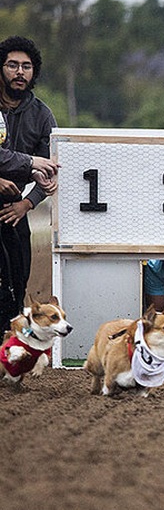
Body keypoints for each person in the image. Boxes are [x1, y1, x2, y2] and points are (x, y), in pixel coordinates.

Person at [0, 36, 58, 326]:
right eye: (12, 65)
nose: (19, 72)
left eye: (26, 66)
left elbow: (51, 167)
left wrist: (27, 203)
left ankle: (10, 345)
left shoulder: (42, 114)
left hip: (13, 208)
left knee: (18, 278)